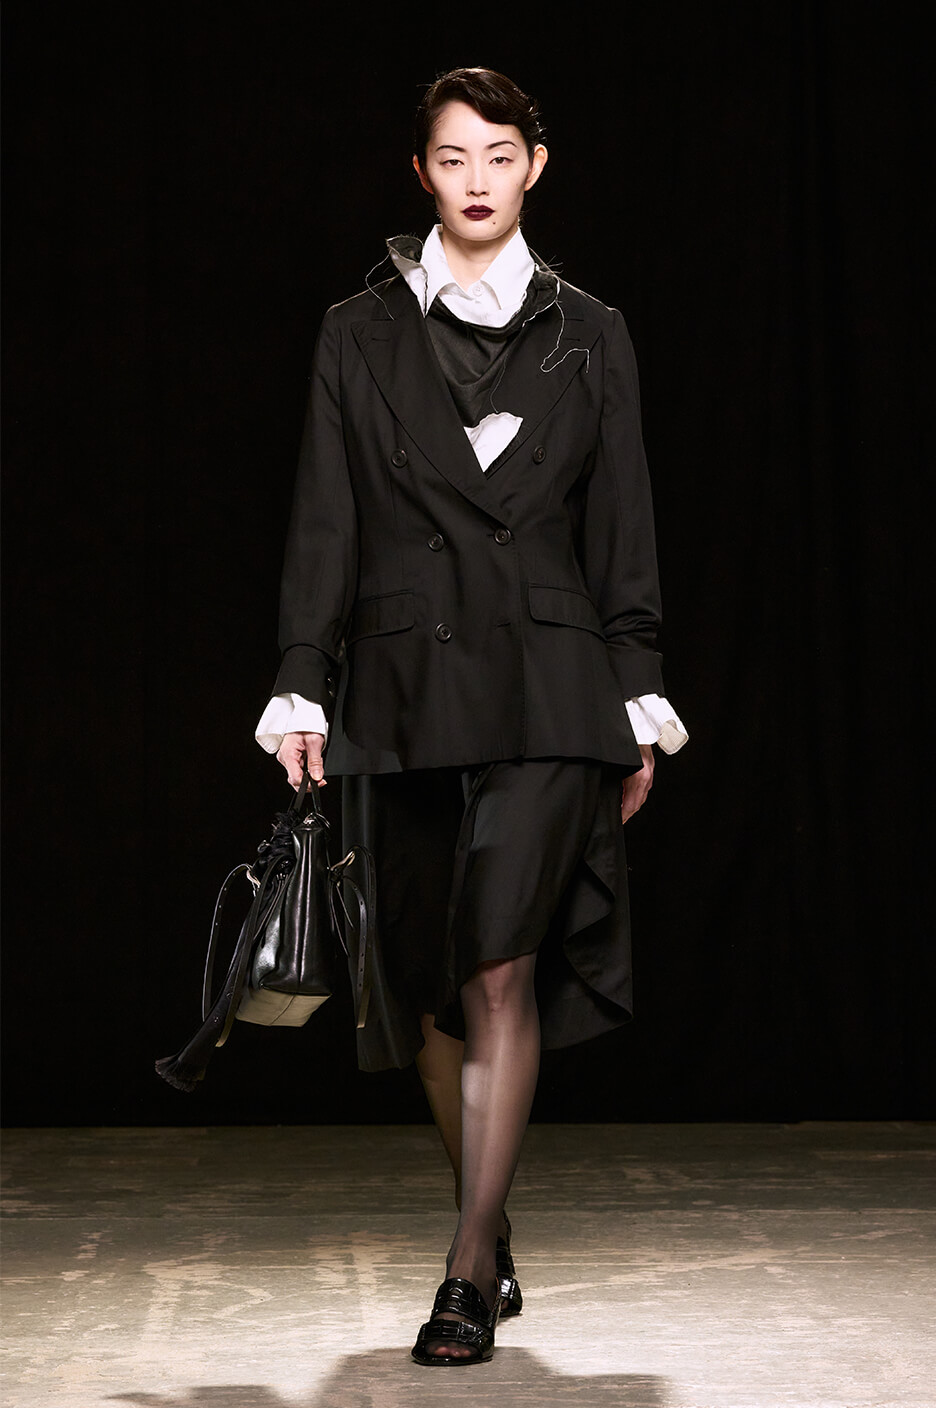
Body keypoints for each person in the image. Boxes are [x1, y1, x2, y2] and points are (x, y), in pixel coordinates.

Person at [255, 67, 687, 1366]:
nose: (479, 179)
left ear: (535, 166)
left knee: (501, 961)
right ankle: (490, 1229)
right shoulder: (358, 332)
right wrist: (300, 678)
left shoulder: (591, 332)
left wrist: (639, 692)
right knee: (434, 992)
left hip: (552, 689)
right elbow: (325, 518)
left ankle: (462, 1272)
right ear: (422, 172)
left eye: (501, 154)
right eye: (454, 158)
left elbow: (624, 530)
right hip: (403, 687)